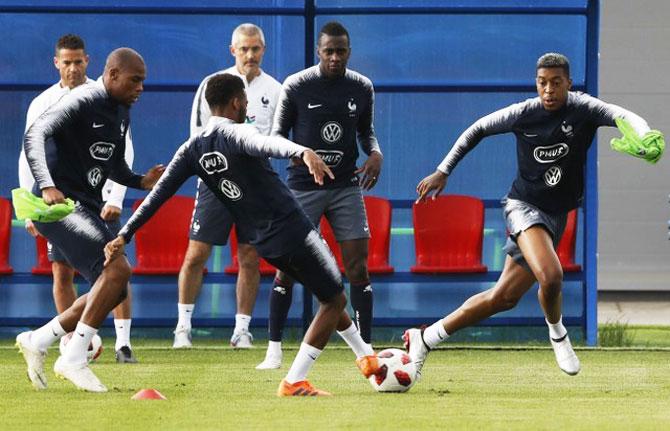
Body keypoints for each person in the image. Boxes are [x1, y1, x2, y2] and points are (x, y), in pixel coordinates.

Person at [104, 73, 379, 396]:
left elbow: (157, 196)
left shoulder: (191, 148)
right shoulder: (239, 134)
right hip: (292, 228)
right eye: (245, 102)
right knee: (335, 299)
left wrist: (125, 234)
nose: (247, 107)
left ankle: (366, 357)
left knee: (326, 292)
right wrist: (304, 150)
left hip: (263, 241)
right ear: (236, 102)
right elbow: (267, 144)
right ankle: (295, 381)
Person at [405, 52, 660, 380]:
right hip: (523, 207)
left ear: (569, 83)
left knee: (503, 298)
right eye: (543, 83)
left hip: (557, 216)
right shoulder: (524, 113)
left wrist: (643, 136)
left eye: (556, 83)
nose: (549, 90)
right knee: (551, 276)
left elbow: (626, 116)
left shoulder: (584, 109)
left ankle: (425, 338)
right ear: (536, 84)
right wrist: (443, 170)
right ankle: (558, 333)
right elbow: (477, 129)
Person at [16, 47, 164, 392]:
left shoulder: (121, 110)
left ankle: (39, 340)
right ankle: (73, 357)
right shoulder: (83, 98)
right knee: (117, 270)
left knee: (111, 284)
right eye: (135, 80)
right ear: (111, 75)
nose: (141, 88)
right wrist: (48, 185)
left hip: (86, 205)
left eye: (143, 81)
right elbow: (33, 135)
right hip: (59, 205)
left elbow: (110, 163)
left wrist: (140, 180)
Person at [257, 21, 383, 370]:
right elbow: (277, 137)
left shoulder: (361, 87)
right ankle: (274, 348)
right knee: (288, 268)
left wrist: (376, 153)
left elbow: (366, 133)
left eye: (340, 51)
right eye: (328, 51)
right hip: (302, 189)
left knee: (358, 267)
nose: (334, 57)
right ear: (318, 51)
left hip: (345, 187)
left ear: (349, 52)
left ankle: (366, 349)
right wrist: (303, 153)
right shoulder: (297, 85)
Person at [173, 23, 282, 349]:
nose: (250, 55)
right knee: (196, 254)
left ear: (263, 50)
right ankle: (183, 328)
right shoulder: (213, 85)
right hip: (215, 181)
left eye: (256, 48)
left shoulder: (275, 90)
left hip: (254, 185)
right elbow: (196, 134)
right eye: (244, 49)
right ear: (233, 50)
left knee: (250, 256)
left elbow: (277, 139)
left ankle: (242, 331)